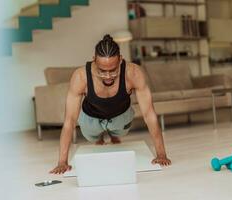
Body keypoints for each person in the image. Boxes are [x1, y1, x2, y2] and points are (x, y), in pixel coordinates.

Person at [50, 34, 171, 174]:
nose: (108, 76)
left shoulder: (133, 73)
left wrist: (161, 154)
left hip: (121, 116)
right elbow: (69, 121)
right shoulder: (80, 77)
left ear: (120, 60)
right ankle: (100, 134)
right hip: (91, 117)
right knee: (91, 136)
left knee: (121, 131)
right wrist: (62, 162)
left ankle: (113, 134)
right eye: (102, 70)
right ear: (94, 60)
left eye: (113, 70)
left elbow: (149, 114)